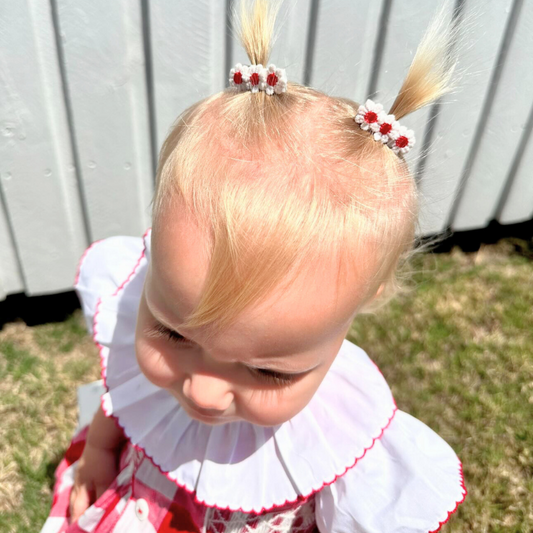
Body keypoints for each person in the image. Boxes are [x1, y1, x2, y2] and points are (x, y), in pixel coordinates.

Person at [40, 1, 467, 531]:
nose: (202, 391)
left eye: (268, 371)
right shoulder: (158, 327)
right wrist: (101, 452)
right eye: (171, 334)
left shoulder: (341, 437)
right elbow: (126, 396)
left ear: (369, 295)